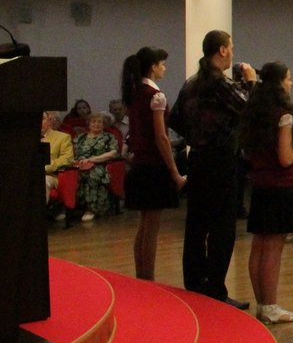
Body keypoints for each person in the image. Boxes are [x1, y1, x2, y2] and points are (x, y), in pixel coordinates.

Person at [170, 29, 257, 308]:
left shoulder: (191, 83)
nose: (232, 52)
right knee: (222, 227)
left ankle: (194, 283)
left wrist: (196, 135)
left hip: (197, 159)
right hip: (220, 159)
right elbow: (248, 108)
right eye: (230, 47)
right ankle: (215, 289)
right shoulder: (219, 82)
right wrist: (251, 82)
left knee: (197, 224)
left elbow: (175, 119)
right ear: (222, 50)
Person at [237, 62, 293, 323]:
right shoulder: (283, 116)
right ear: (280, 83)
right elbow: (286, 158)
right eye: (289, 78)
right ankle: (270, 305)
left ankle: (262, 304)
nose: (291, 83)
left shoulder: (255, 113)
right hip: (281, 186)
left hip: (261, 184)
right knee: (273, 249)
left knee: (259, 246)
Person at [120, 46, 186, 280]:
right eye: (162, 64)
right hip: (154, 166)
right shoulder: (156, 96)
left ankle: (142, 275)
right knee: (152, 229)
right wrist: (175, 172)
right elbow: (161, 137)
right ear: (153, 66)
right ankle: (148, 277)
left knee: (144, 225)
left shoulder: (134, 92)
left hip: (140, 164)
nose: (164, 68)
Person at [71, 112, 119, 220]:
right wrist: (75, 161)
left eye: (99, 122)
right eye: (93, 122)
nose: (96, 124)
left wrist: (91, 159)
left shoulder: (109, 137)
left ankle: (92, 209)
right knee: (69, 176)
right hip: (79, 165)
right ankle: (71, 208)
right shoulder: (80, 137)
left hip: (99, 165)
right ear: (88, 123)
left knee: (90, 175)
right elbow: (72, 152)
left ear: (104, 124)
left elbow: (113, 153)